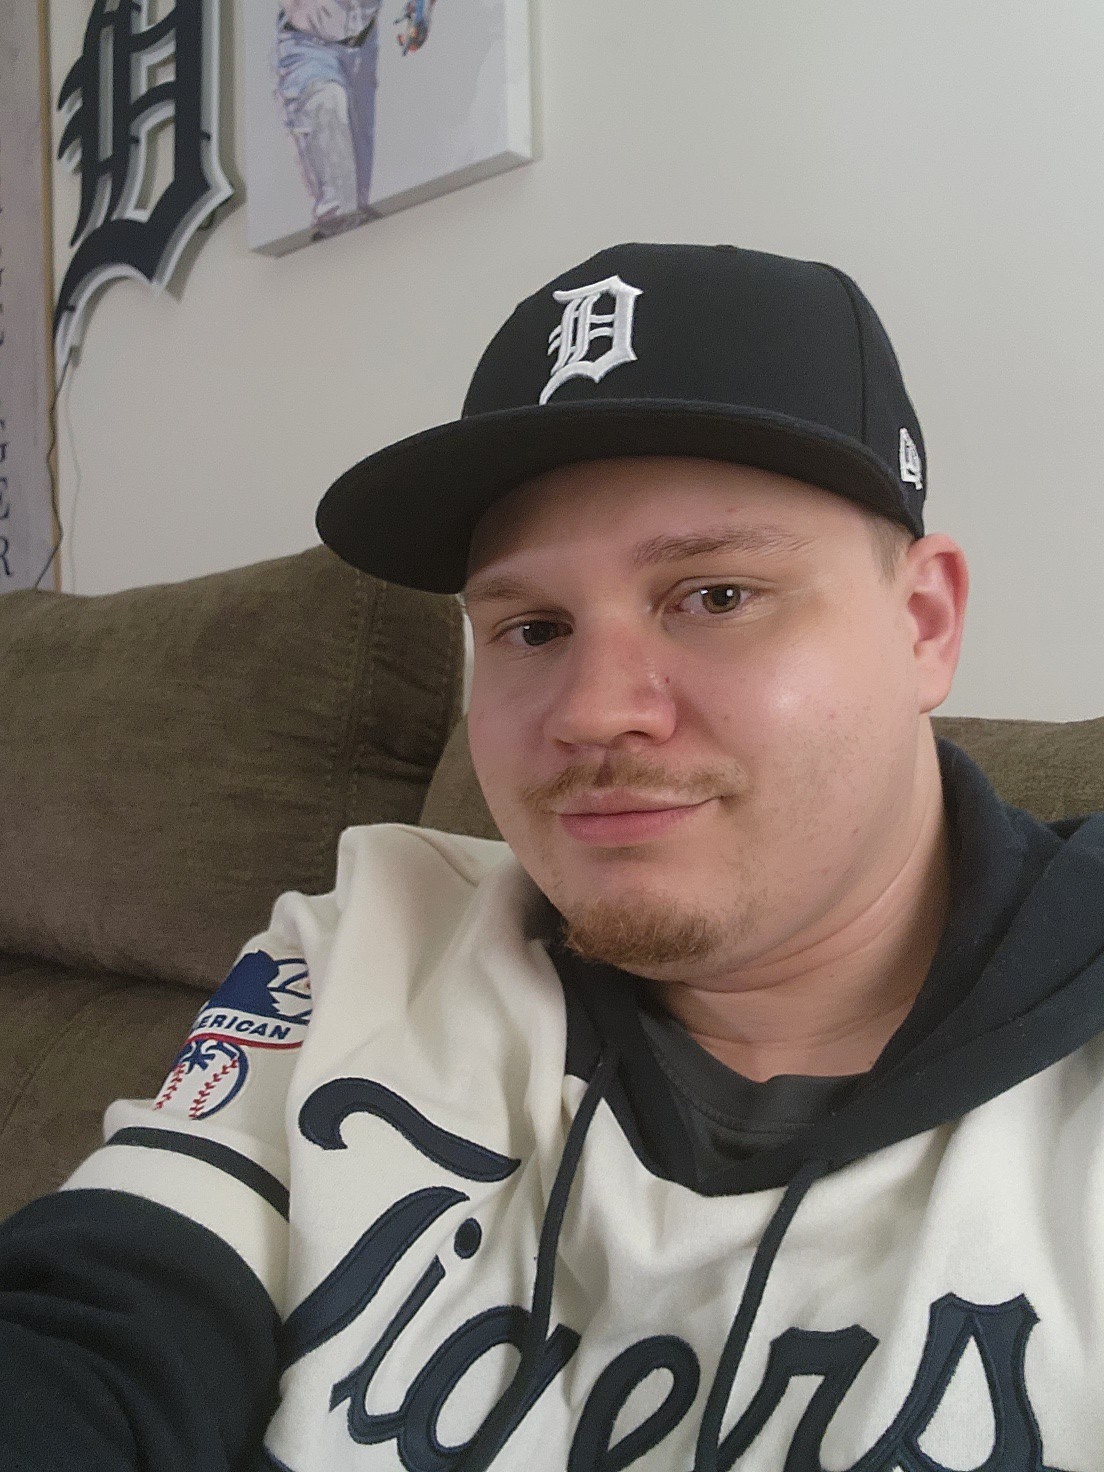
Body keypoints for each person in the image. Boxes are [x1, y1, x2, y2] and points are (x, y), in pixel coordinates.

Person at [3, 241, 1104, 1469]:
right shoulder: (366, 939)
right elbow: (99, 1325)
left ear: (923, 624)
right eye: (532, 626)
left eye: (715, 595)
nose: (591, 709)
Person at [274, 0, 436, 239]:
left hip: (363, 46)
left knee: (360, 202)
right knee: (339, 209)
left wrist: (421, 10)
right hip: (306, 47)